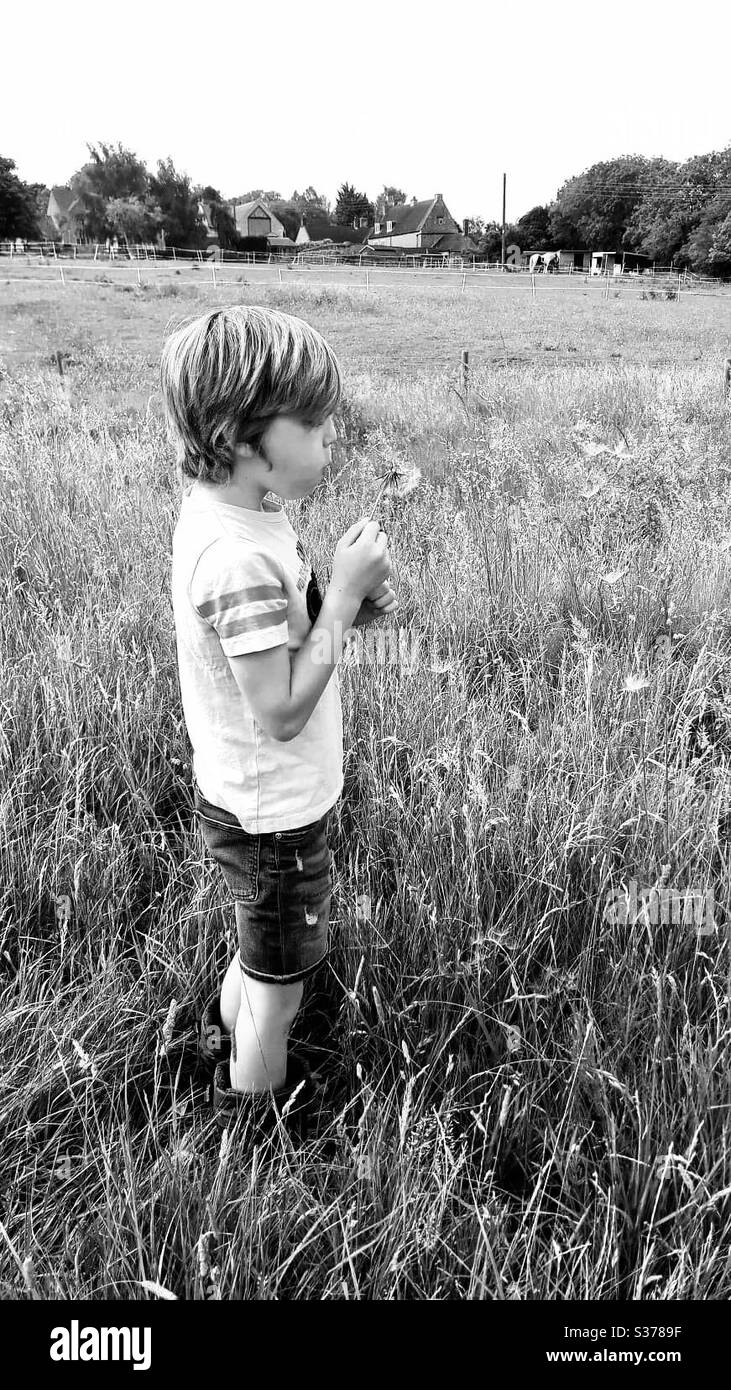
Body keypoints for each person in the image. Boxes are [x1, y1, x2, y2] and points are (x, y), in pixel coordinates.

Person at [161, 305, 397, 1141]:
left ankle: (223, 1032)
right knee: (281, 983)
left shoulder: (245, 518)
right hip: (271, 815)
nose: (329, 440)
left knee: (260, 951)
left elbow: (276, 637)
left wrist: (336, 613)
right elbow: (283, 710)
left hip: (256, 800)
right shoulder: (236, 556)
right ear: (237, 432)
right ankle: (258, 1130)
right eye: (313, 423)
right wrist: (334, 597)